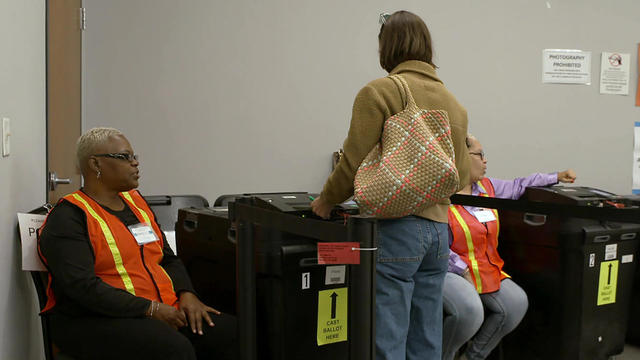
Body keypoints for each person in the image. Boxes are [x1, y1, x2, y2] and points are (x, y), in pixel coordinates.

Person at [311, 11, 471, 360]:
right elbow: (459, 173)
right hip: (439, 232)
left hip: (396, 228)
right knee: (426, 333)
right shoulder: (454, 104)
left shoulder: (380, 91)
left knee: (388, 335)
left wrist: (326, 200)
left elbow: (352, 161)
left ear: (388, 47)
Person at [37, 127, 237, 360]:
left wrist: (187, 294)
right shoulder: (69, 216)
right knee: (173, 348)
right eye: (125, 157)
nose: (135, 164)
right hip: (96, 318)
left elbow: (167, 257)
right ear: (95, 164)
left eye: (135, 157)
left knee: (230, 333)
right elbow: (83, 288)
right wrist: (149, 309)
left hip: (159, 307)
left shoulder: (136, 202)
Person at [442, 135, 576, 360]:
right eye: (480, 155)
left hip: (485, 269)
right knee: (469, 311)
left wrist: (556, 176)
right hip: (451, 270)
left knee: (515, 303)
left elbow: (519, 186)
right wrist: (462, 269)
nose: (485, 161)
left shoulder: (487, 187)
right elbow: (435, 244)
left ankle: (473, 357)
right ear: (460, 158)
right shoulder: (440, 195)